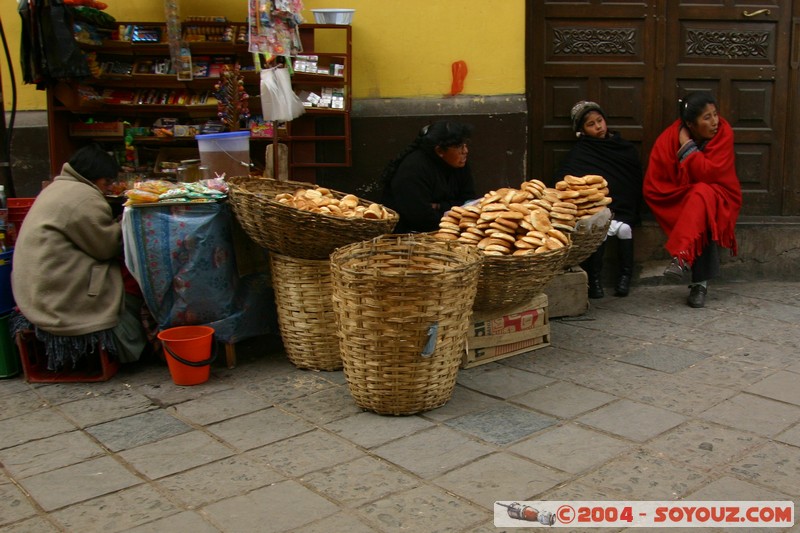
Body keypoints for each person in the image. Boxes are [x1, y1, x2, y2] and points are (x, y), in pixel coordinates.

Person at [11, 143, 149, 370]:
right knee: (131, 277)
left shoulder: (56, 188)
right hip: (60, 298)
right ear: (94, 177)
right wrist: (123, 223)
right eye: (106, 183)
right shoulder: (84, 197)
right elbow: (106, 247)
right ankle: (135, 341)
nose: (108, 189)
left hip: (36, 291)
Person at [643, 91, 742, 308]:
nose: (715, 122)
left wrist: (687, 147)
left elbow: (709, 174)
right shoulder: (668, 139)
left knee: (702, 195)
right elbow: (655, 182)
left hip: (721, 193)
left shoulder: (724, 133)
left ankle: (682, 258)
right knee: (700, 201)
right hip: (678, 195)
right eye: (707, 118)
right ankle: (700, 284)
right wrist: (685, 146)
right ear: (691, 123)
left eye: (715, 114)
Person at [554, 101, 643, 298]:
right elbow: (565, 183)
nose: (598, 127)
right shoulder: (580, 154)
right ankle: (594, 281)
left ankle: (625, 277)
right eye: (591, 124)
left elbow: (633, 179)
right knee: (598, 233)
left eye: (600, 121)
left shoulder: (624, 148)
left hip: (623, 207)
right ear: (582, 131)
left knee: (625, 229)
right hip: (597, 210)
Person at [381, 120, 477, 233]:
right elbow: (421, 217)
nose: (465, 151)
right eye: (459, 147)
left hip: (450, 228)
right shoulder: (413, 169)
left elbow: (469, 202)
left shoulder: (459, 163)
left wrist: (439, 206)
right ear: (440, 151)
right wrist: (453, 210)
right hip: (411, 234)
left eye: (465, 145)